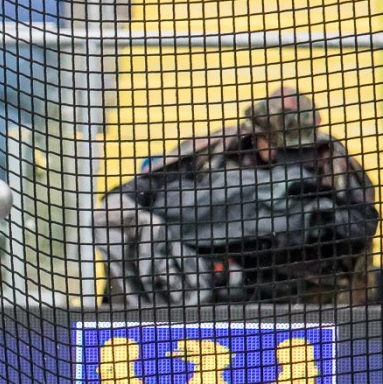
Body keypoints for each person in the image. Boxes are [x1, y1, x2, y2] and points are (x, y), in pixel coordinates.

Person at [94, 86, 379, 307]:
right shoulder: (219, 148)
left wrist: (318, 217)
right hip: (218, 273)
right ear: (257, 135)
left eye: (299, 147)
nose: (291, 155)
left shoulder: (330, 159)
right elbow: (144, 188)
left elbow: (364, 221)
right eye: (281, 146)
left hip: (304, 285)